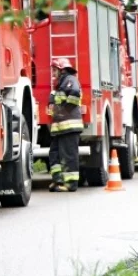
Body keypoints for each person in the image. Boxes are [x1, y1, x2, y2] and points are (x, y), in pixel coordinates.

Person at [47, 58, 83, 191]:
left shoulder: (70, 80)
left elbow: (74, 95)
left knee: (69, 156)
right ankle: (58, 180)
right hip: (61, 128)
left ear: (62, 70)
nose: (53, 73)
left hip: (69, 127)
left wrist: (63, 110)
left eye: (55, 70)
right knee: (54, 153)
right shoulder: (61, 83)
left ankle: (71, 184)